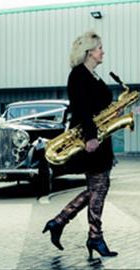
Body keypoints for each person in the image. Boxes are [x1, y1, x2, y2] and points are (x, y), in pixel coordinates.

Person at [42, 31, 118, 259]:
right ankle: (94, 236)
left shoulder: (94, 76)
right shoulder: (78, 75)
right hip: (90, 138)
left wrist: (114, 111)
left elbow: (97, 106)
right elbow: (82, 109)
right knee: (100, 186)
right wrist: (91, 137)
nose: (103, 51)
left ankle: (60, 221)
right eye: (99, 48)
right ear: (88, 51)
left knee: (98, 187)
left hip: (99, 137)